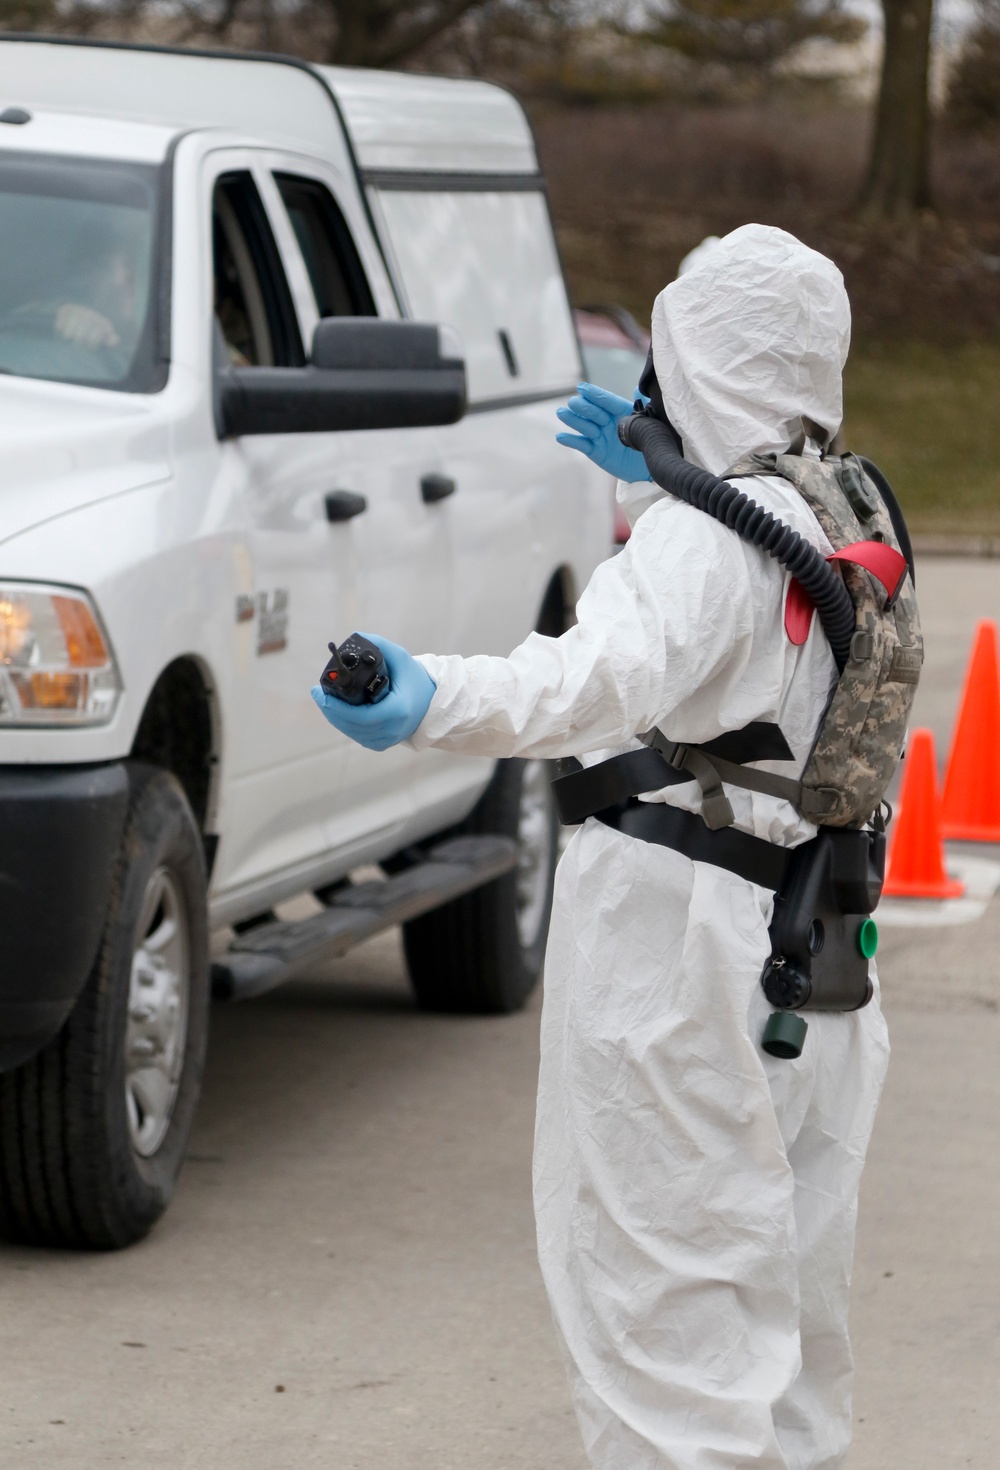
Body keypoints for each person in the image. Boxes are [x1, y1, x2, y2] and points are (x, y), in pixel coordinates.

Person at [311, 223, 890, 1470]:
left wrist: (429, 698)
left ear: (695, 360)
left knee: (663, 1329)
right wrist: (650, 476)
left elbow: (601, 676)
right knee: (780, 1331)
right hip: (814, 948)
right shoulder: (842, 506)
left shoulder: (707, 538)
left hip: (678, 964)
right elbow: (743, 651)